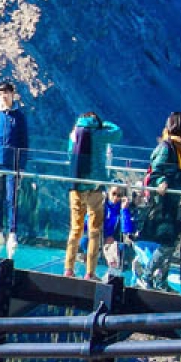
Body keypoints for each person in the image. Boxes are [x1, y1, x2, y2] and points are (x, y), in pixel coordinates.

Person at [62, 111, 122, 279]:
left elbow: (69, 154)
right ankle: (90, 272)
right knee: (94, 231)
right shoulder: (99, 133)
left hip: (76, 187)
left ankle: (68, 269)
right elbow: (117, 132)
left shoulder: (74, 133)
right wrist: (104, 124)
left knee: (75, 229)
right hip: (94, 189)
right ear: (95, 120)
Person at [145, 111, 181, 290]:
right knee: (167, 243)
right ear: (180, 127)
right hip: (167, 204)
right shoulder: (167, 148)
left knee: (173, 243)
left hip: (179, 204)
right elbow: (155, 172)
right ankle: (147, 275)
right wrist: (161, 182)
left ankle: (161, 281)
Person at [0, 81, 30, 250]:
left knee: (12, 199)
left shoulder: (20, 116)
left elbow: (25, 143)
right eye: (1, 93)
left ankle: (12, 233)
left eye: (7, 93)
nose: (4, 96)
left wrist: (22, 166)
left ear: (12, 94)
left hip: (13, 164)